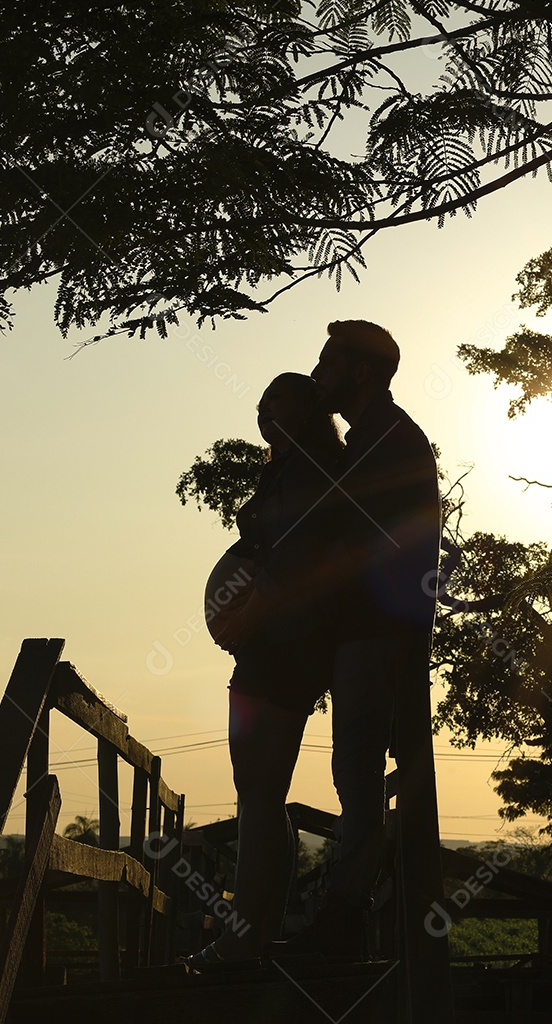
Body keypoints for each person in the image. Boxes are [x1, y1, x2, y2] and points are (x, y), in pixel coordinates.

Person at [274, 320, 442, 958]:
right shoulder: (377, 438)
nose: (318, 373)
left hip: (377, 632)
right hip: (371, 630)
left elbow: (345, 539)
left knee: (360, 777)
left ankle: (342, 924)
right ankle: (346, 919)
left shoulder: (387, 441)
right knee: (358, 776)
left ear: (362, 372)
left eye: (328, 362)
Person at [184, 372, 344, 969]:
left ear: (307, 407)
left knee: (257, 790)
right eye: (258, 403)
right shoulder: (283, 468)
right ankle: (254, 930)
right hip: (270, 643)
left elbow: (299, 558)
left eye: (276, 399)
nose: (263, 410)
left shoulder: (312, 470)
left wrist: (250, 613)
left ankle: (245, 937)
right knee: (260, 792)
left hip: (283, 644)